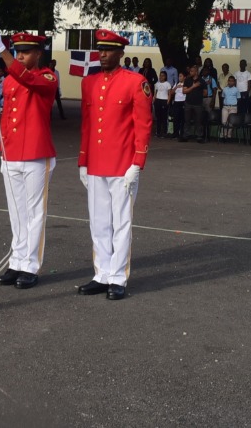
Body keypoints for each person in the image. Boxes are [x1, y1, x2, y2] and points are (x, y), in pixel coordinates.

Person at [77, 29, 152, 301]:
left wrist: (138, 162)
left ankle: (118, 277)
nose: (104, 54)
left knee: (121, 223)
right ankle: (102, 274)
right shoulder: (89, 83)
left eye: (109, 50)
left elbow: (143, 125)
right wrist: (83, 161)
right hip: (96, 163)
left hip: (122, 165)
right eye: (101, 49)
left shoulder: (136, 82)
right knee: (98, 223)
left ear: (121, 53)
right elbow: (87, 125)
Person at [0, 31, 59, 290]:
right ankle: (17, 261)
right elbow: (7, 116)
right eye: (17, 51)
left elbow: (27, 78)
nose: (19, 55)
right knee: (16, 213)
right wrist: (3, 149)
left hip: (37, 154)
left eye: (25, 52)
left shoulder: (46, 77)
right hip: (13, 153)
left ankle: (30, 266)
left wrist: (2, 52)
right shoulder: (10, 80)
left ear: (38, 54)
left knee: (34, 212)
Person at [170, 66, 188, 141]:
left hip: (183, 101)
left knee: (182, 119)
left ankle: (182, 134)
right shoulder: (177, 83)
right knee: (176, 118)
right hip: (176, 102)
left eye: (181, 76)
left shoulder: (186, 84)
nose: (179, 77)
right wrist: (176, 87)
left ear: (184, 77)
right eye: (179, 76)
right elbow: (171, 92)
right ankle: (175, 133)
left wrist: (183, 86)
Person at [220, 75, 240, 139]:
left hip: (233, 107)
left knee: (231, 123)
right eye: (229, 81)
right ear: (227, 82)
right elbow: (223, 97)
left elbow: (238, 99)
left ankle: (229, 135)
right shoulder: (225, 89)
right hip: (225, 107)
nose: (230, 82)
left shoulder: (236, 90)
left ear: (234, 82)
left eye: (232, 81)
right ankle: (223, 135)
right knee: (224, 122)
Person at [153, 71, 170, 137]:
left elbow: (169, 93)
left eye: (162, 76)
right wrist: (154, 100)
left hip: (164, 100)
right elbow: (155, 93)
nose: (161, 77)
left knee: (164, 117)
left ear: (165, 77)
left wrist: (168, 101)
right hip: (158, 100)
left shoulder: (167, 84)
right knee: (158, 117)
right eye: (160, 75)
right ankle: (158, 132)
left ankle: (164, 132)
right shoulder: (157, 84)